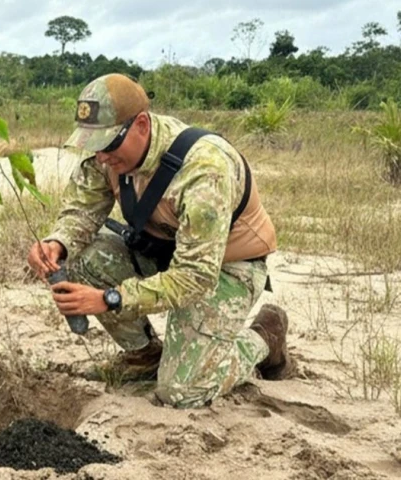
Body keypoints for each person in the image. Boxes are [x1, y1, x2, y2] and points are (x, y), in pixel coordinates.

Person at [28, 73, 294, 409]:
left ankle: (264, 339)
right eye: (91, 146)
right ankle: (144, 356)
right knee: (82, 256)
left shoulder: (204, 170)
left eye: (108, 145)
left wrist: (110, 299)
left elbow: (196, 277)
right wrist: (58, 243)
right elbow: (82, 211)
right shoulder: (106, 157)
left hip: (225, 268)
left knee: (182, 392)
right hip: (164, 253)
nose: (101, 158)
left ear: (141, 124)